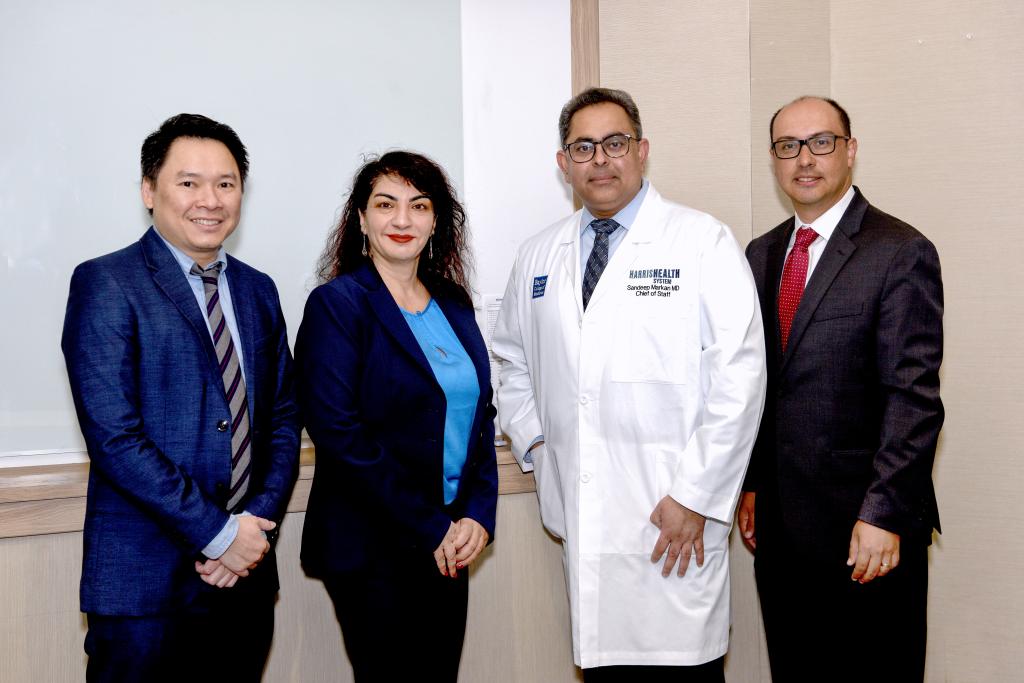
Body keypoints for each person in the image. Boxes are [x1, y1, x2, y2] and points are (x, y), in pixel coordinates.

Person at [492, 87, 766, 681]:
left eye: (614, 143)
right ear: (563, 164)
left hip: (675, 524)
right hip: (586, 523)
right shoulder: (539, 255)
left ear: (641, 151)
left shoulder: (701, 242)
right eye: (583, 147)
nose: (600, 159)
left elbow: (739, 378)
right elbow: (511, 360)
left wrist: (696, 496)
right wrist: (538, 447)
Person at [61, 113, 301, 682]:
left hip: (244, 579)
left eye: (226, 183)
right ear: (150, 190)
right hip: (145, 589)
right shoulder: (106, 282)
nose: (209, 200)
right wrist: (219, 534)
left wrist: (253, 529)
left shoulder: (257, 289)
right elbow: (115, 439)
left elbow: (284, 419)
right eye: (188, 183)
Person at [737, 96, 944, 681]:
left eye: (821, 142)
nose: (805, 158)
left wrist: (884, 513)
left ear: (850, 151)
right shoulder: (761, 253)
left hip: (866, 530)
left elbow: (914, 398)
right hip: (781, 529)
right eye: (788, 146)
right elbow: (760, 384)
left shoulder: (900, 251)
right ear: (774, 160)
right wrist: (754, 485)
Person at [295, 150, 498, 682]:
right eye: (386, 204)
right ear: (361, 218)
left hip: (451, 537)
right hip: (376, 546)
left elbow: (480, 414)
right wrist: (434, 526)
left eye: (419, 205)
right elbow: (340, 434)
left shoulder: (453, 301)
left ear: (437, 221)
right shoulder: (338, 305)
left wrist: (477, 513)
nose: (402, 220)